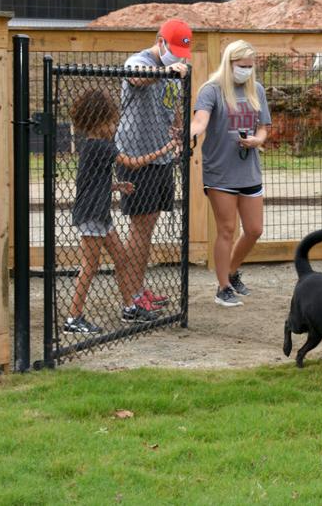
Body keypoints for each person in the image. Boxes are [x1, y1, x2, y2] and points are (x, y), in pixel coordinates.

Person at [64, 89, 169, 334]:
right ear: (99, 122)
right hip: (92, 216)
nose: (115, 126)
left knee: (121, 259)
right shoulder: (101, 146)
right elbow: (132, 163)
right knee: (90, 266)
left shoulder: (92, 146)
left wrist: (117, 186)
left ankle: (130, 305)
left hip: (101, 215)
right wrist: (165, 149)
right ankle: (73, 318)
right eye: (112, 122)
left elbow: (91, 182)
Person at [187, 40, 271, 308]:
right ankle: (222, 287)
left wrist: (257, 140)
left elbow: (263, 127)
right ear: (229, 63)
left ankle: (231, 272)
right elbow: (200, 120)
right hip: (220, 172)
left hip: (249, 170)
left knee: (255, 229)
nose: (246, 71)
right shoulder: (211, 90)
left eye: (249, 66)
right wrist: (188, 133)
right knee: (226, 229)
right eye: (241, 66)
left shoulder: (256, 89)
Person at [116, 18, 191, 314]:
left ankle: (138, 289)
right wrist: (165, 71)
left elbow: (173, 106)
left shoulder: (175, 70)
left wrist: (178, 130)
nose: (177, 57)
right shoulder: (140, 61)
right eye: (172, 50)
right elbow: (137, 77)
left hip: (161, 157)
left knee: (147, 229)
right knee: (139, 229)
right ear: (160, 41)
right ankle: (131, 299)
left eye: (181, 53)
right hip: (137, 157)